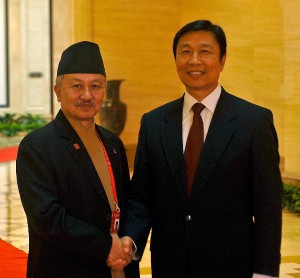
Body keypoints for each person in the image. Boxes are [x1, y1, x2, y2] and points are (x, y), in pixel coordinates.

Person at [122, 20, 283, 278]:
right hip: (170, 266)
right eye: (185, 52)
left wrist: (265, 273)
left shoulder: (253, 121)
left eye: (205, 51)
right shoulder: (154, 123)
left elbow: (268, 207)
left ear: (222, 60)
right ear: (175, 60)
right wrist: (131, 238)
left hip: (232, 267)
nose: (194, 60)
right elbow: (142, 196)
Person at [16, 41, 138, 278]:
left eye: (95, 86)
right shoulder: (37, 146)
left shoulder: (113, 143)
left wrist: (128, 240)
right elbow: (48, 218)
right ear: (58, 92)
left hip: (117, 267)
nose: (87, 95)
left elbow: (128, 202)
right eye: (76, 86)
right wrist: (105, 247)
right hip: (67, 269)